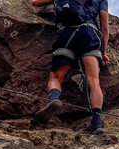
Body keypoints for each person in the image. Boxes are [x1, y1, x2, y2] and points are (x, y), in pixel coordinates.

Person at [32, 0, 110, 134]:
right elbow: (104, 27)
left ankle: (54, 99)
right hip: (89, 34)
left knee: (55, 76)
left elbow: (35, 2)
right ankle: (96, 123)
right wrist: (104, 52)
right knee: (93, 81)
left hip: (67, 34)